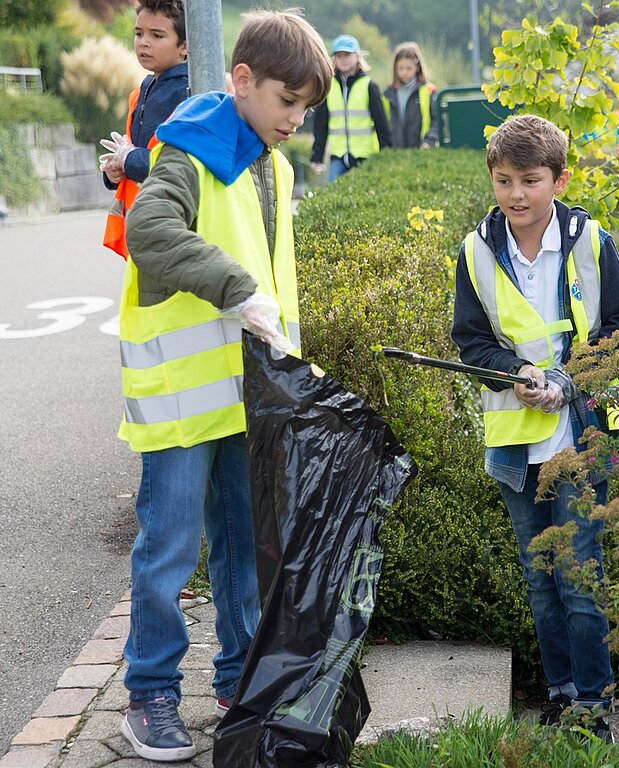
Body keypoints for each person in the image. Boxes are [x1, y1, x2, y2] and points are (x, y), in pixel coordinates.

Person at [116, 8, 333, 762]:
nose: (295, 121)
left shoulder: (271, 163)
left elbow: (276, 282)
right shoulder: (189, 146)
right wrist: (235, 287)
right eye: (286, 102)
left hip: (247, 397)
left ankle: (241, 682)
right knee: (170, 549)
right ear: (241, 80)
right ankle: (149, 696)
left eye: (305, 109)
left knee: (245, 552)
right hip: (180, 394)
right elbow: (150, 234)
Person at [451, 113, 619, 742]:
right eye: (504, 181)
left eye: (530, 181)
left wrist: (568, 380)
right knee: (540, 578)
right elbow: (472, 342)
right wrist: (514, 373)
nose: (516, 195)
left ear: (558, 181)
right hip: (516, 439)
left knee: (581, 574)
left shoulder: (592, 242)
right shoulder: (476, 251)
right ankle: (561, 696)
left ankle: (594, 706)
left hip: (591, 432)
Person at [99, 0, 189, 259]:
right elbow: (136, 149)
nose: (143, 42)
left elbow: (178, 165)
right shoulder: (143, 89)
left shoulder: (188, 94)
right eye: (139, 33)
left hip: (170, 230)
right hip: (142, 227)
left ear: (185, 46)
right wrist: (115, 170)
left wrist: (129, 159)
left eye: (157, 35)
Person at [309, 34, 391, 181]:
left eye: (347, 54)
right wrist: (317, 157)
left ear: (357, 56)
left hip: (364, 155)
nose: (343, 59)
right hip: (338, 155)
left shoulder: (368, 85)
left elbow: (381, 123)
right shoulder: (328, 87)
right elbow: (320, 125)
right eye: (339, 55)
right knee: (332, 195)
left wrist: (387, 152)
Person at [383, 41, 439, 149]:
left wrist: (428, 142)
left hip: (422, 149)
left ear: (417, 67)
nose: (404, 72)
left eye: (408, 68)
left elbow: (436, 122)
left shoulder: (428, 91)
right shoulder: (388, 94)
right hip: (396, 151)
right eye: (400, 68)